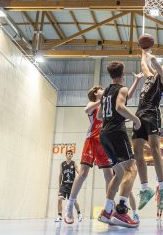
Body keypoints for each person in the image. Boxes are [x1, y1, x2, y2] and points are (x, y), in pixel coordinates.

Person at [65, 74, 142, 224]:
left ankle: (110, 210)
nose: (103, 90)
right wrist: (103, 99)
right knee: (83, 173)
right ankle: (69, 206)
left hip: (104, 141)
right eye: (101, 89)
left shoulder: (108, 105)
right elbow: (86, 110)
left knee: (111, 175)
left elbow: (127, 96)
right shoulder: (93, 104)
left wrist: (137, 80)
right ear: (96, 93)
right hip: (92, 140)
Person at [97, 61, 141, 228]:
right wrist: (136, 120)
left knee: (119, 174)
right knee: (132, 169)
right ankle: (121, 212)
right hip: (116, 132)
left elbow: (101, 115)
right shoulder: (121, 89)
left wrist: (136, 81)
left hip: (104, 134)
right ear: (123, 73)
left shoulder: (106, 92)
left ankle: (107, 211)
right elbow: (121, 106)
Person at [132, 46, 163, 211]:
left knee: (155, 150)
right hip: (139, 114)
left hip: (152, 114)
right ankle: (145, 189)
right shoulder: (149, 78)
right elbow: (145, 64)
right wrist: (143, 51)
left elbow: (154, 63)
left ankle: (162, 189)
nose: (160, 69)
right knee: (137, 153)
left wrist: (148, 53)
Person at [57, 150, 81, 222]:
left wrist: (77, 181)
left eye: (71, 154)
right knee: (59, 199)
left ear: (72, 156)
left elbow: (79, 173)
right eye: (68, 153)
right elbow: (60, 175)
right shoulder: (62, 164)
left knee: (75, 202)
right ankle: (59, 216)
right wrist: (59, 186)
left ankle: (79, 214)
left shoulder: (74, 164)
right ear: (66, 155)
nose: (70, 155)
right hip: (63, 185)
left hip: (72, 186)